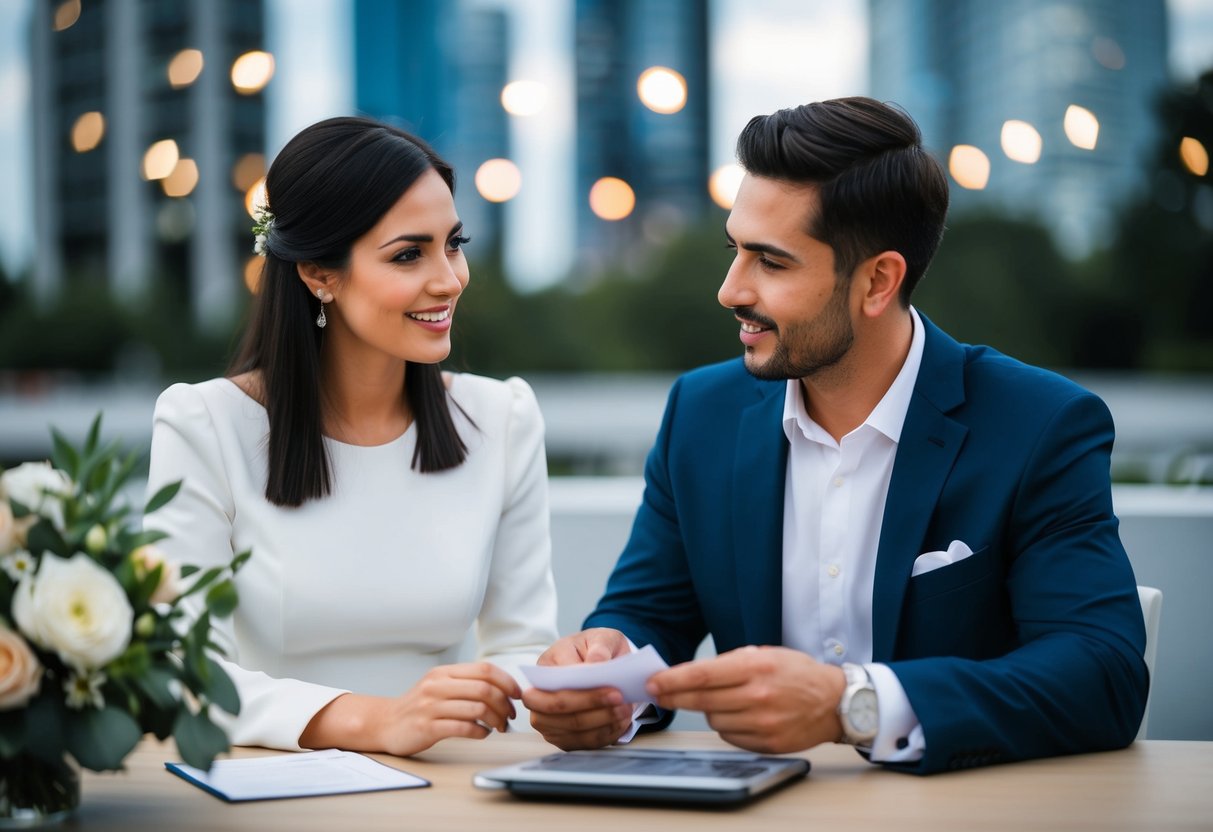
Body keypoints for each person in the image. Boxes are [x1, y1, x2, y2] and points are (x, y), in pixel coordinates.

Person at [522, 97, 1148, 774]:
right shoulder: (700, 413)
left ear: (877, 281)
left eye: (771, 262)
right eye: (734, 251)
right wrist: (604, 670)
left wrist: (852, 704)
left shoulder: (1038, 424)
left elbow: (1101, 672)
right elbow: (648, 616)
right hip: (750, 814)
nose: (729, 290)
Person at [144, 117, 558, 757]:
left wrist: (569, 692)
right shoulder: (204, 427)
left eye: (454, 243)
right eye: (407, 254)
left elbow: (522, 647)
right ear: (319, 274)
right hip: (268, 790)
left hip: (444, 787)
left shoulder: (502, 419)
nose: (449, 279)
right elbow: (183, 673)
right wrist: (379, 722)